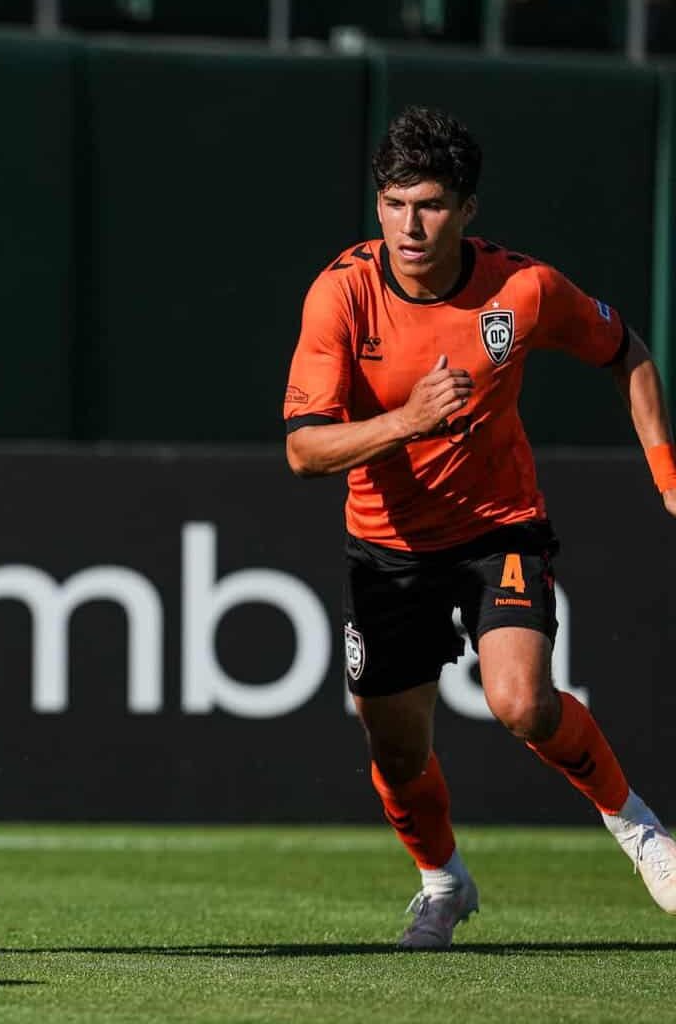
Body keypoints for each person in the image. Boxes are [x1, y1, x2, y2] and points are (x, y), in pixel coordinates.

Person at [284, 105, 676, 949]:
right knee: (394, 751)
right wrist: (405, 422)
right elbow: (305, 451)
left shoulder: (523, 290)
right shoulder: (342, 294)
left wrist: (667, 472)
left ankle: (643, 831)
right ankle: (442, 881)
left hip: (501, 529)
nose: (409, 225)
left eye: (428, 204)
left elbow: (627, 352)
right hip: (386, 549)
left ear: (467, 209)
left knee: (521, 701)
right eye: (393, 204)